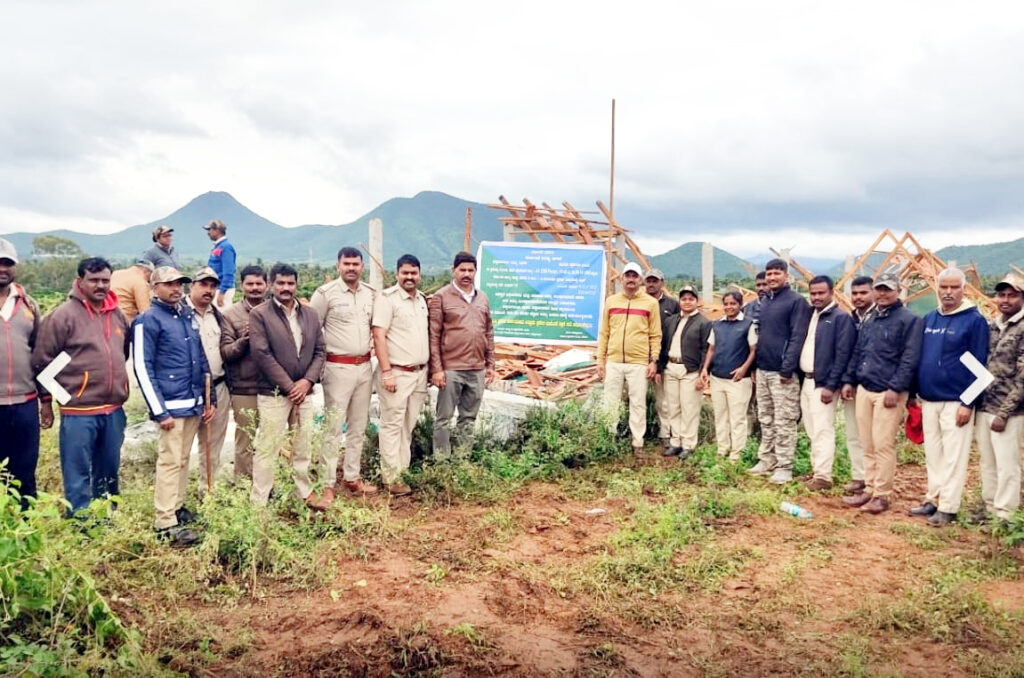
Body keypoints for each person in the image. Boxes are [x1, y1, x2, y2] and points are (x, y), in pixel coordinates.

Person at [33, 257, 130, 517]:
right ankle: (80, 522)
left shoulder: (118, 315)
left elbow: (123, 354)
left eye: (105, 280)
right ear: (80, 281)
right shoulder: (63, 316)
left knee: (108, 468)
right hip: (79, 413)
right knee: (77, 471)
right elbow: (42, 363)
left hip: (113, 410)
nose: (100, 285)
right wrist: (64, 398)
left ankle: (107, 517)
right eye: (94, 280)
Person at [133, 266, 213, 547]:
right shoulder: (148, 320)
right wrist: (159, 410)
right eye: (168, 284)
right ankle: (165, 522)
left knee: (182, 460)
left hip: (192, 402)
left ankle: (177, 507)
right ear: (154, 288)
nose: (175, 288)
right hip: (170, 406)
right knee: (169, 461)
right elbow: (142, 367)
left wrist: (208, 398)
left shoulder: (186, 315)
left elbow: (201, 358)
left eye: (179, 283)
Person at [907, 268, 990, 526]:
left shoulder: (974, 321)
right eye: (943, 287)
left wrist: (968, 403)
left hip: (956, 401)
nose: (948, 292)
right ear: (937, 289)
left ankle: (949, 506)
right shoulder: (931, 318)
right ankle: (933, 498)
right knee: (934, 454)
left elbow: (981, 367)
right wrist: (914, 394)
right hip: (929, 398)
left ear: (964, 289)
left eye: (954, 287)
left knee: (954, 456)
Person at [841, 272, 923, 515]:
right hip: (865, 388)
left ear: (898, 291)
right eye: (879, 289)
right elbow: (859, 351)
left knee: (883, 444)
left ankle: (882, 494)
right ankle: (868, 487)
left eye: (888, 289)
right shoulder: (870, 318)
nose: (883, 293)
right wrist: (850, 380)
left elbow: (910, 359)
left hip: (888, 392)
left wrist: (896, 388)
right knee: (866, 442)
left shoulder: (909, 320)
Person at [249, 263, 326, 508]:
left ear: (296, 284)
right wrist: (289, 386)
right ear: (271, 285)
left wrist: (306, 382)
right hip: (273, 393)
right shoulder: (260, 314)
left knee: (303, 444)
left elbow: (320, 351)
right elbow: (262, 354)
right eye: (280, 283)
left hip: (304, 392)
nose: (286, 288)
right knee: (267, 448)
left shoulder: (310, 314)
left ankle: (303, 492)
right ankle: (259, 501)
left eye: (290, 283)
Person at [309, 247, 378, 495]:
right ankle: (326, 483)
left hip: (364, 367)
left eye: (356, 264)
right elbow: (312, 332)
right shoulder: (325, 294)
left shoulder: (371, 294)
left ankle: (352, 476)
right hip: (337, 367)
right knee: (333, 427)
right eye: (346, 263)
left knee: (358, 425)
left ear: (362, 267)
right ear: (338, 266)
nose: (351, 268)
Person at [748, 259, 810, 484]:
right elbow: (760, 336)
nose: (772, 278)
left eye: (776, 273)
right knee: (766, 417)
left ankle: (785, 465)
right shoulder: (765, 301)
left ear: (786, 275)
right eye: (769, 274)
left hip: (783, 373)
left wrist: (787, 367)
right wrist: (756, 366)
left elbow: (797, 337)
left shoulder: (796, 302)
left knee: (784, 420)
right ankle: (767, 458)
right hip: (764, 369)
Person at [428, 252, 496, 457]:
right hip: (451, 369)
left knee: (468, 418)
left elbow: (489, 331)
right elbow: (434, 335)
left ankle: (462, 459)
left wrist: (490, 364)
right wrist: (437, 369)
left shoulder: (482, 297)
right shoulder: (442, 297)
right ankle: (442, 461)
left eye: (470, 270)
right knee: (444, 418)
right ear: (454, 270)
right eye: (462, 270)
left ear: (475, 271)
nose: (466, 274)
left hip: (476, 369)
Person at [372, 254, 429, 496]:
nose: (409, 277)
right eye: (404, 273)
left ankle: (402, 472)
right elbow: (378, 335)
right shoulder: (387, 299)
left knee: (408, 425)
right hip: (396, 372)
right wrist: (386, 372)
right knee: (392, 425)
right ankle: (391, 478)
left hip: (419, 374)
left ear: (419, 275)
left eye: (413, 273)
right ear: (397, 274)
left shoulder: (422, 300)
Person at [596, 262, 662, 454]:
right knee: (610, 402)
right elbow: (604, 333)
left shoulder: (650, 303)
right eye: (628, 276)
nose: (631, 280)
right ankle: (607, 438)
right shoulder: (612, 301)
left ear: (640, 280)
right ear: (622, 278)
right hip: (614, 362)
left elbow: (655, 334)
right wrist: (601, 360)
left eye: (635, 276)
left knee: (638, 403)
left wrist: (653, 360)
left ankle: (638, 442)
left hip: (638, 363)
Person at [974, 274, 1024, 526]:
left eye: (1012, 295)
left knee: (1008, 465)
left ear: (1021, 298)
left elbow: (1023, 378)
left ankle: (1006, 514)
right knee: (988, 461)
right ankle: (990, 506)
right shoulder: (994, 325)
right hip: (986, 405)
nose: (1005, 300)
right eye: (1002, 295)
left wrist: (1004, 413)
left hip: (1010, 411)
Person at [798, 276, 856, 491]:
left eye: (821, 293)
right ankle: (816, 470)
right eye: (813, 293)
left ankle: (823, 476)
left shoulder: (841, 318)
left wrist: (831, 386)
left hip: (824, 384)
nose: (817, 297)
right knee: (812, 429)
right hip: (808, 380)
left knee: (823, 429)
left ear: (831, 293)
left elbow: (843, 355)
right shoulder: (812, 315)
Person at [0, 239, 46, 508]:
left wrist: (46, 401)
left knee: (24, 472)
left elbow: (39, 356)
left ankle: (26, 531)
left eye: (7, 263)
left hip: (24, 404)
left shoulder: (29, 305)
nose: (2, 268)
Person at [220, 265, 268, 480]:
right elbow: (226, 352)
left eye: (259, 283)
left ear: (266, 285)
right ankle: (243, 484)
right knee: (245, 439)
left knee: (269, 439)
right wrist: (244, 341)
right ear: (242, 285)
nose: (255, 288)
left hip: (271, 387)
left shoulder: (275, 311)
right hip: (244, 388)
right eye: (250, 284)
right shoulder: (231, 315)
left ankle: (267, 483)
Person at [187, 266, 231, 491]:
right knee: (181, 449)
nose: (209, 290)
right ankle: (176, 502)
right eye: (203, 284)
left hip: (218, 388)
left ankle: (208, 492)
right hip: (186, 392)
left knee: (212, 445)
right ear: (191, 286)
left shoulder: (219, 316)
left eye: (213, 286)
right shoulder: (178, 314)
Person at [701, 290, 757, 461]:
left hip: (738, 380)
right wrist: (705, 369)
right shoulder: (717, 325)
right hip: (718, 377)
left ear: (740, 305)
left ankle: (737, 453)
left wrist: (744, 368)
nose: (729, 307)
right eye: (726, 304)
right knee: (721, 415)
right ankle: (722, 448)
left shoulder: (748, 324)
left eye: (733, 303)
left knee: (737, 417)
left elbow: (754, 350)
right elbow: (711, 349)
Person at [656, 285, 710, 459]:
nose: (687, 302)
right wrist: (659, 367)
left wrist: (703, 371)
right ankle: (675, 442)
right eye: (684, 299)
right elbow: (663, 346)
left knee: (689, 408)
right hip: (671, 367)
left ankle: (688, 444)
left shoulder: (703, 322)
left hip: (690, 370)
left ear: (697, 301)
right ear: (680, 301)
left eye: (691, 299)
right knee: (673, 407)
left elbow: (706, 349)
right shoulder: (671, 320)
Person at [840, 276, 876, 494]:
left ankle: (874, 481)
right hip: (852, 383)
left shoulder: (877, 318)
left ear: (872, 293)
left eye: (863, 293)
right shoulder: (852, 318)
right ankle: (859, 476)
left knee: (872, 437)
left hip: (873, 385)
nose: (858, 297)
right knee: (854, 432)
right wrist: (847, 380)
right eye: (855, 293)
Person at [645, 268, 677, 451]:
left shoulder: (672, 305)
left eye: (655, 281)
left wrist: (660, 364)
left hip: (663, 359)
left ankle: (666, 434)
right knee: (636, 398)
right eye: (648, 281)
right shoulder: (639, 303)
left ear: (661, 283)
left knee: (663, 401)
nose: (651, 284)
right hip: (640, 358)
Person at [203, 220, 237, 308]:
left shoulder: (226, 247)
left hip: (223, 289)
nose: (208, 233)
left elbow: (228, 272)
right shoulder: (218, 246)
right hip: (216, 287)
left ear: (217, 230)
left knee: (223, 317)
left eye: (209, 230)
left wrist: (222, 293)